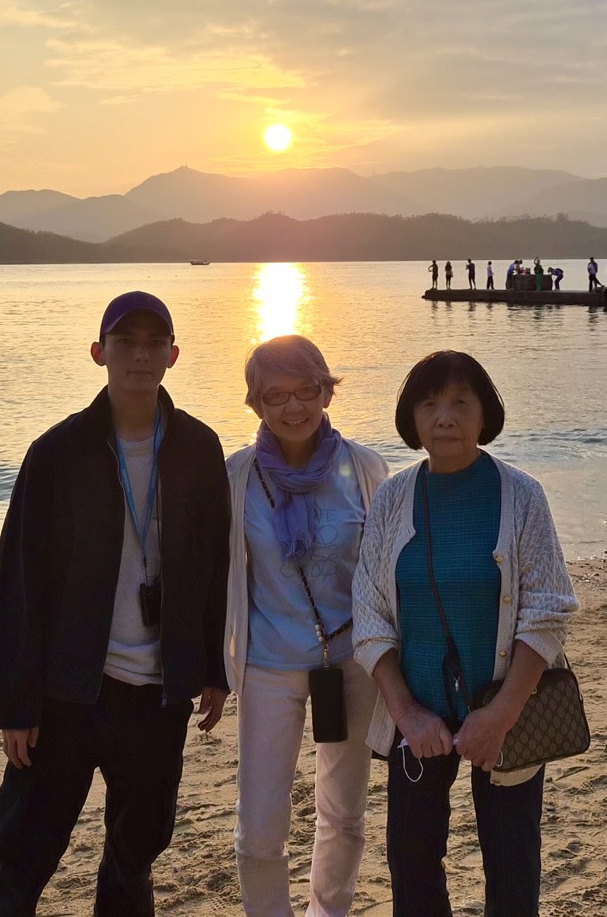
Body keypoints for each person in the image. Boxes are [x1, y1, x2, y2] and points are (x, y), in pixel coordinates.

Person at [0, 291, 231, 917]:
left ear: (173, 355)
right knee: (26, 855)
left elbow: (213, 565)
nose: (140, 355)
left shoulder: (199, 449)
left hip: (155, 692)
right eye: (125, 342)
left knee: (134, 854)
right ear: (99, 353)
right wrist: (15, 703)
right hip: (67, 691)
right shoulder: (57, 452)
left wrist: (213, 669)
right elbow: (17, 580)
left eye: (153, 343)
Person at [352, 351, 579, 917]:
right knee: (412, 864)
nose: (444, 417)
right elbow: (370, 615)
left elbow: (548, 611)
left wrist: (499, 716)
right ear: (412, 418)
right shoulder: (392, 497)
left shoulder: (520, 495)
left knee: (512, 865)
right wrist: (407, 714)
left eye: (459, 403)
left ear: (485, 414)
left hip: (507, 713)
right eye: (429, 404)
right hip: (418, 716)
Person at [225, 335, 388, 917]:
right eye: (276, 395)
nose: (293, 407)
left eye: (306, 391)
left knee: (344, 813)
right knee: (260, 825)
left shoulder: (366, 469)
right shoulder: (237, 478)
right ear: (256, 403)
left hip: (352, 663)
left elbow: (386, 574)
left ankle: (329, 911)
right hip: (268, 665)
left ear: (326, 391)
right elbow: (213, 577)